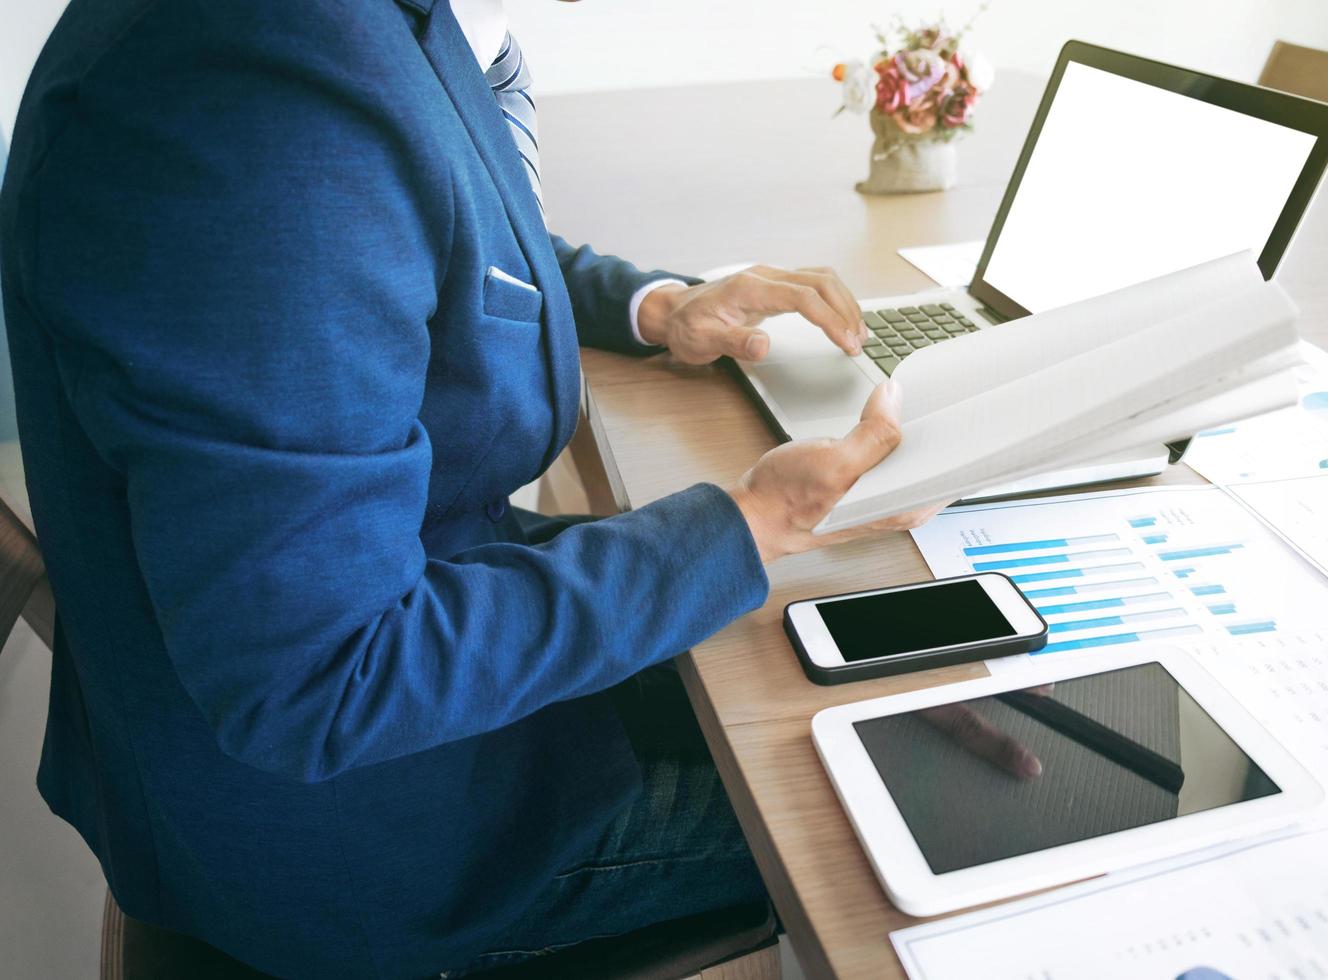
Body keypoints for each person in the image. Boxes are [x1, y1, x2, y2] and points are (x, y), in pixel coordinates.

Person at [0, 1, 938, 976]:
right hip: (366, 826)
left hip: (378, 688)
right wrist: (753, 519)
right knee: (910, 800)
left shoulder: (349, 41)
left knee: (851, 675)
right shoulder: (264, 109)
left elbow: (426, 223)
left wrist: (656, 307)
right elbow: (323, 678)